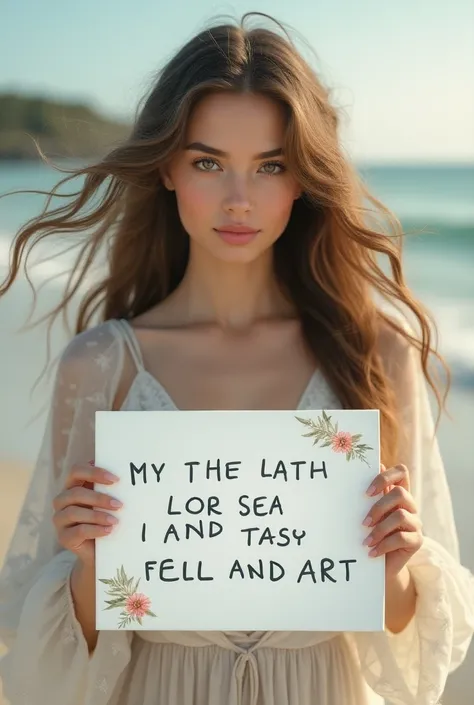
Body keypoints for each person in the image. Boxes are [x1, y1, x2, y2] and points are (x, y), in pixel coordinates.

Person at [0, 12, 473, 705]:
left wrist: (396, 567)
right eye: (208, 162)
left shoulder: (376, 355)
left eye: (270, 165)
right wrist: (89, 570)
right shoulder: (103, 365)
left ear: (304, 178)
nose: (239, 199)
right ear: (167, 167)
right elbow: (48, 668)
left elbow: (415, 652)